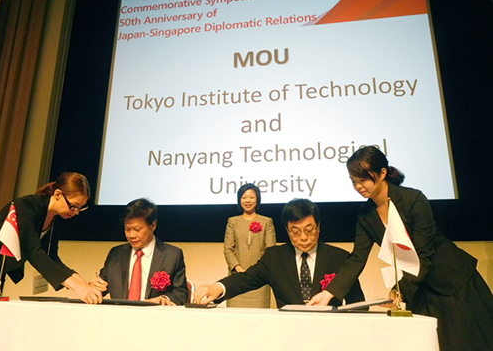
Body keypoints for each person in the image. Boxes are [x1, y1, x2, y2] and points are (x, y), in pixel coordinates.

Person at [309, 146, 493, 351]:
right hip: (421, 289)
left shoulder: (413, 200)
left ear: (382, 173)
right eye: (354, 181)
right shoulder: (365, 214)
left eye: (363, 179)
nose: (359, 186)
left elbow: (425, 254)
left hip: (452, 281)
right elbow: (357, 258)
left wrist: (400, 291)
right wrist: (329, 293)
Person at [0, 172, 102, 351]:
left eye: (80, 208)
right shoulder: (25, 206)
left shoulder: (56, 219)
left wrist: (82, 282)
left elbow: (51, 256)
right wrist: (76, 287)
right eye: (73, 206)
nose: (76, 213)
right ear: (57, 194)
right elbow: (33, 251)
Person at [194, 198, 365, 308]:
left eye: (309, 229)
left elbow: (358, 303)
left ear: (319, 227)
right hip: (286, 334)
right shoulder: (274, 257)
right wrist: (217, 287)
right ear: (287, 230)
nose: (303, 237)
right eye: (295, 231)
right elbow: (246, 279)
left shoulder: (339, 257)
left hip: (330, 334)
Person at [90, 198, 188, 306]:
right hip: (119, 316)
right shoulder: (116, 254)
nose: (131, 235)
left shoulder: (172, 255)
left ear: (153, 225)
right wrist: (93, 287)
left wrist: (164, 298)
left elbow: (181, 293)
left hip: (154, 317)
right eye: (127, 229)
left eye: (137, 229)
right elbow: (101, 287)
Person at [223, 183, 276, 308]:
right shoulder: (233, 221)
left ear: (257, 199)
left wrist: (256, 272)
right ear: (239, 199)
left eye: (251, 197)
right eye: (244, 197)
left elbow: (271, 251)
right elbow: (228, 249)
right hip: (237, 280)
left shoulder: (266, 222)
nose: (248, 200)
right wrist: (240, 270)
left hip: (260, 281)